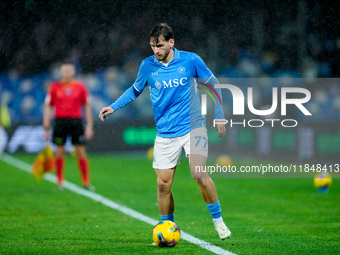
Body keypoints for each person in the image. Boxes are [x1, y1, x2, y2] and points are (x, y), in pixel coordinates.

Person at [99, 23, 231, 239]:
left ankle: (218, 221)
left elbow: (213, 84)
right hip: (165, 132)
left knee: (198, 173)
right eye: (152, 46)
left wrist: (219, 115)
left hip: (193, 127)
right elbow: (135, 90)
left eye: (159, 46)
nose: (156, 51)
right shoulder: (147, 66)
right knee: (162, 185)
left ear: (171, 42)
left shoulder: (190, 60)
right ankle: (167, 229)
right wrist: (113, 107)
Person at [43, 62, 94, 191]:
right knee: (59, 152)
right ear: (60, 72)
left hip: (76, 122)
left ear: (73, 72)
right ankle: (59, 181)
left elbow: (87, 107)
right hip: (60, 122)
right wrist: (46, 127)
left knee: (80, 151)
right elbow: (48, 107)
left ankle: (86, 182)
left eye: (69, 70)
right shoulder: (54, 87)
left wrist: (89, 126)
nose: (66, 72)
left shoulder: (80, 87)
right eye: (64, 70)